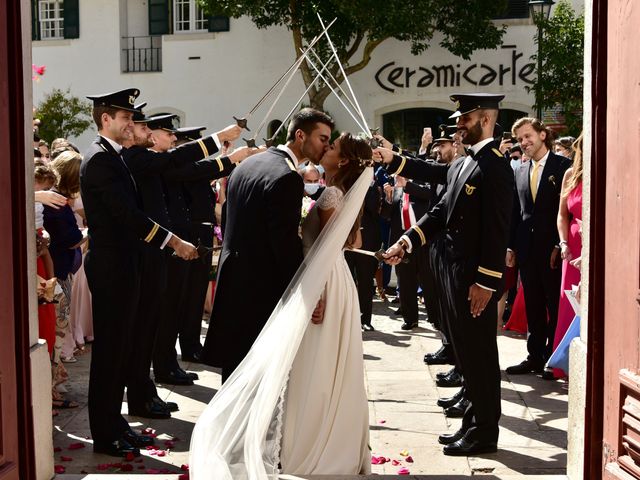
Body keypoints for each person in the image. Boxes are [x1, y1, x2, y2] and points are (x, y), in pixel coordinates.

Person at [189, 133, 374, 479]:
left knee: (314, 363)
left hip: (323, 278)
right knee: (319, 363)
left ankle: (310, 445)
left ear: (344, 160)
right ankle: (318, 441)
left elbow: (341, 241)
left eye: (332, 147)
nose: (326, 148)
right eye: (326, 142)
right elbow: (355, 240)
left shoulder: (332, 193)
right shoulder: (331, 192)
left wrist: (313, 284)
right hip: (326, 276)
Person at [381, 93, 513, 456]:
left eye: (464, 119)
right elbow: (439, 211)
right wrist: (406, 241)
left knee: (480, 356)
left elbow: (498, 229)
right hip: (456, 272)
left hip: (474, 279)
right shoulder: (465, 161)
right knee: (466, 355)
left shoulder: (495, 165)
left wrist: (486, 282)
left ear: (484, 119)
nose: (458, 125)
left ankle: (484, 433)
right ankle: (470, 424)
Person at [80, 88, 199, 457]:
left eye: (131, 118)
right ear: (106, 120)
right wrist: (172, 242)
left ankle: (117, 425)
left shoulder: (114, 158)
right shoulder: (99, 160)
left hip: (125, 266)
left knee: (122, 350)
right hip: (112, 267)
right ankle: (105, 432)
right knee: (110, 354)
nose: (132, 124)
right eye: (126, 118)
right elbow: (126, 216)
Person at [201, 108, 334, 382]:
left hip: (233, 283)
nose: (327, 146)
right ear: (300, 135)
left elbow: (228, 224)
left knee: (234, 376)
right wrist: (305, 293)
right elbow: (284, 245)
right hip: (262, 291)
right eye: (322, 138)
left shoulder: (247, 165)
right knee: (258, 380)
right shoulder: (287, 178)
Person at [505, 117, 572, 379]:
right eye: (520, 139)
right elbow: (515, 212)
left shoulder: (563, 166)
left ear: (543, 134)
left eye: (528, 136)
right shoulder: (520, 170)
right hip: (526, 249)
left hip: (554, 251)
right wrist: (511, 247)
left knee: (555, 304)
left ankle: (552, 357)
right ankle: (534, 356)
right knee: (532, 304)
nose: (524, 142)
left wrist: (559, 243)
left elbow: (566, 213)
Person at [552, 134, 583, 379]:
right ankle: (564, 363)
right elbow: (562, 215)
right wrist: (563, 242)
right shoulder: (570, 175)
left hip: (592, 243)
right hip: (571, 246)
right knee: (568, 301)